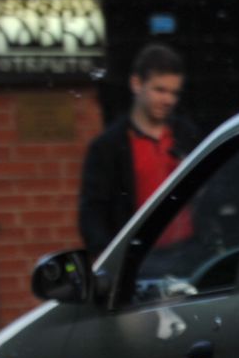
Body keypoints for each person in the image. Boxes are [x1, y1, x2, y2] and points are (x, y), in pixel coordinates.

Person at [77, 43, 199, 253]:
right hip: (137, 258)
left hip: (188, 253)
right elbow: (92, 212)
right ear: (136, 84)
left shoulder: (185, 134)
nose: (168, 100)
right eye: (160, 90)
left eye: (174, 93)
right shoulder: (109, 146)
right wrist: (109, 260)